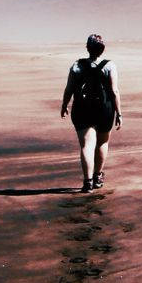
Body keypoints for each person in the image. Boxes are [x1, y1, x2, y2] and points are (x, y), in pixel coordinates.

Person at [60, 33, 122, 193]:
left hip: (82, 109)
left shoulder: (77, 65)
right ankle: (98, 177)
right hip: (105, 109)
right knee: (102, 143)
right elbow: (114, 91)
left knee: (87, 145)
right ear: (102, 49)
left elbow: (69, 89)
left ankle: (87, 182)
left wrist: (64, 104)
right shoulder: (110, 66)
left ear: (87, 48)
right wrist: (119, 113)